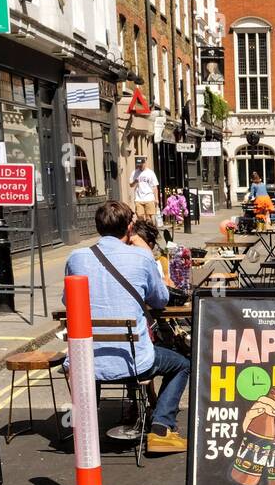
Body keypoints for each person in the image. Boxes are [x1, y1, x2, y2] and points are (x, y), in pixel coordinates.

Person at [63, 201, 189, 454]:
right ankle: (162, 427)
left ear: (97, 227)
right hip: (133, 361)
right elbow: (161, 299)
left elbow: (68, 301)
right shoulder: (142, 257)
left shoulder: (76, 258)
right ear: (130, 227)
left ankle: (86, 427)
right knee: (183, 364)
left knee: (96, 352)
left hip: (86, 359)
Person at [129, 157, 160, 221]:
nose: (140, 166)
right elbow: (131, 185)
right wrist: (135, 181)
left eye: (141, 164)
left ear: (144, 163)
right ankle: (143, 230)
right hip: (138, 198)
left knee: (149, 218)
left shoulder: (150, 173)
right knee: (140, 217)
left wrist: (156, 199)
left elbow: (155, 186)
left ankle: (149, 230)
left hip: (149, 197)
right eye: (138, 164)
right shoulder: (134, 172)